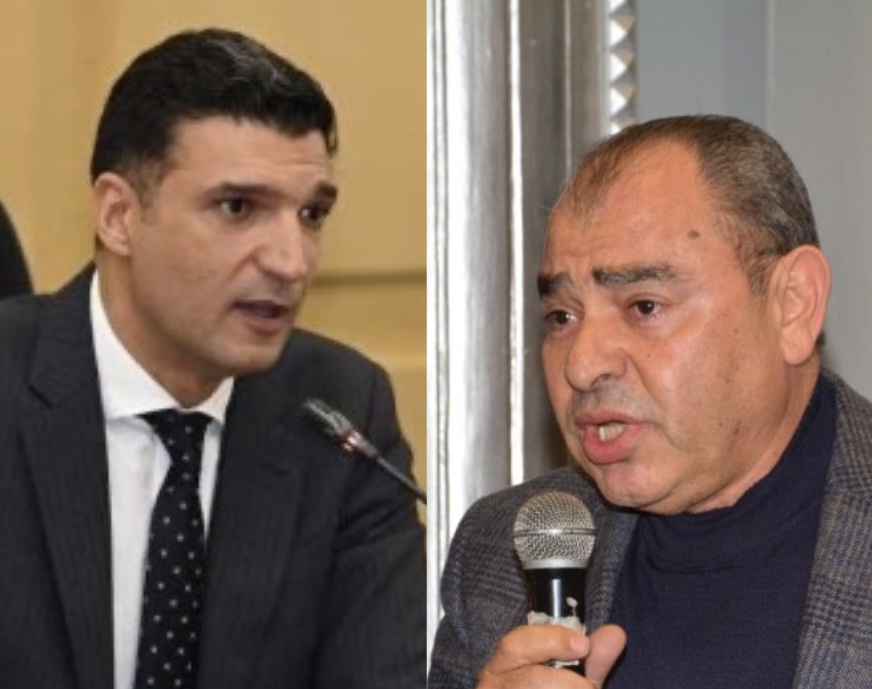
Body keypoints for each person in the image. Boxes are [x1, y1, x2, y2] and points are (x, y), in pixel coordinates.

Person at [0, 28, 425, 689]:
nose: (291, 261)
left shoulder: (340, 411)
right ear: (118, 216)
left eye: (311, 214)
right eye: (237, 206)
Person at [429, 115, 872, 688]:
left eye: (644, 306)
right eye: (561, 317)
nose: (581, 364)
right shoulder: (497, 555)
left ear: (793, 304)